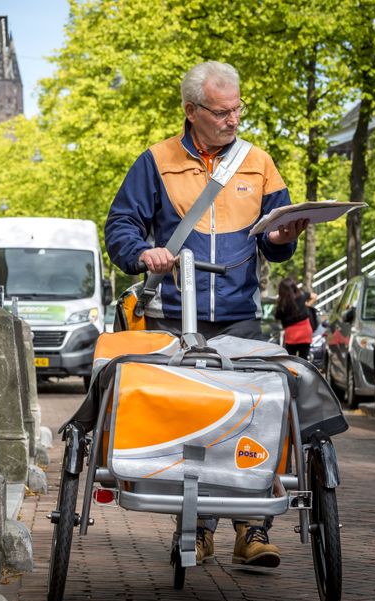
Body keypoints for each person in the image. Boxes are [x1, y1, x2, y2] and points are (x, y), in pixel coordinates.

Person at [104, 61, 308, 569]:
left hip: (240, 314)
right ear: (191, 111)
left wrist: (283, 238)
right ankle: (196, 526)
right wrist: (142, 253)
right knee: (191, 416)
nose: (233, 120)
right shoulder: (154, 162)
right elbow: (120, 226)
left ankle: (253, 528)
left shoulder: (259, 163)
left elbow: (276, 242)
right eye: (221, 112)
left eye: (238, 109)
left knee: (260, 409)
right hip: (174, 314)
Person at [276, 277, 315, 358]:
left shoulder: (282, 303)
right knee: (304, 360)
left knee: (291, 360)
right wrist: (307, 305)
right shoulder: (302, 295)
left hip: (291, 334)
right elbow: (314, 296)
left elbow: (277, 316)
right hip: (305, 332)